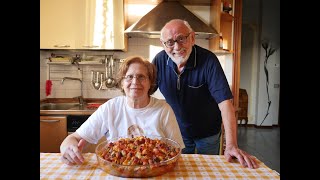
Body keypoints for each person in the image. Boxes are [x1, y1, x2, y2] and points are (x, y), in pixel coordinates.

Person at [152, 19, 258, 169]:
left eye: (181, 38)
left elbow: (225, 104)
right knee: (181, 170)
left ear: (192, 38)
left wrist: (232, 145)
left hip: (208, 132)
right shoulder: (159, 61)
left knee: (209, 170)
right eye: (170, 42)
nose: (176, 47)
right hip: (177, 132)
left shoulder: (208, 60)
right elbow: (145, 93)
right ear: (163, 44)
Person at [60, 56, 185, 165]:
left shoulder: (163, 110)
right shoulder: (110, 108)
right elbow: (73, 138)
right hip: (117, 173)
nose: (135, 82)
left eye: (141, 77)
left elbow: (176, 151)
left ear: (150, 82)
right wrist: (68, 148)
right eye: (129, 77)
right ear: (122, 83)